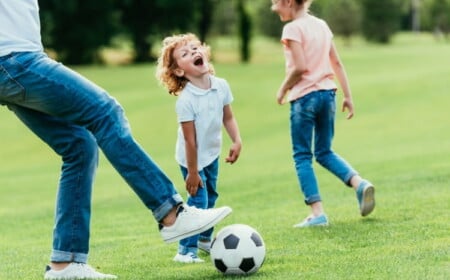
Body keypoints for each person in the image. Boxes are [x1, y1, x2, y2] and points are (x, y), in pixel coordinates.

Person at [0, 1, 232, 279]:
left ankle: (66, 263)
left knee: (79, 146)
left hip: (16, 61)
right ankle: (171, 213)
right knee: (105, 111)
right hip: (14, 59)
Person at [270, 0, 375, 227]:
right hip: (328, 95)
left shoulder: (292, 28)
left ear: (288, 2)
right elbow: (336, 62)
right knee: (325, 152)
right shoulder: (321, 25)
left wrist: (282, 88)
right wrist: (347, 96)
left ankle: (317, 213)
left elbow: (299, 67)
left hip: (304, 97)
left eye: (275, 2)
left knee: (302, 156)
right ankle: (360, 184)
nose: (273, 8)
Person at [156, 33, 242, 263]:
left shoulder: (221, 86)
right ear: (179, 71)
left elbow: (229, 118)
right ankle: (185, 251)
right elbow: (189, 141)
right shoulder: (186, 101)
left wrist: (236, 140)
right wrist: (192, 173)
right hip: (190, 158)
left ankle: (205, 239)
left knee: (211, 196)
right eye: (185, 53)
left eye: (195, 48)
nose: (194, 52)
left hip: (211, 154)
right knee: (199, 200)